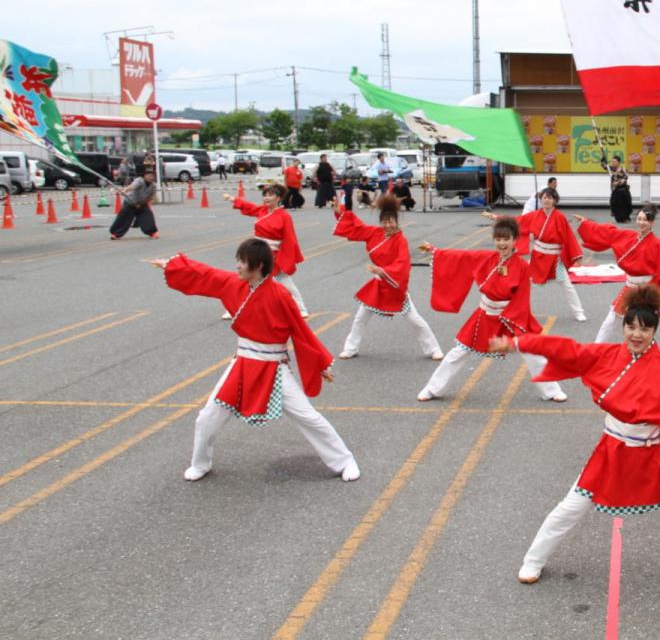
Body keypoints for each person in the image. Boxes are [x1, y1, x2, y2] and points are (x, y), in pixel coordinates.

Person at [491, 284, 660, 585]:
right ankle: (533, 560)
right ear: (623, 327)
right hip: (613, 450)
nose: (636, 335)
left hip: (656, 452)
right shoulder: (606, 355)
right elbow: (565, 349)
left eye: (644, 328)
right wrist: (518, 343)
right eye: (631, 327)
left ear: (655, 331)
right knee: (571, 506)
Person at [150, 239, 359, 483]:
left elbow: (301, 331)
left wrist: (319, 363)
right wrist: (172, 265)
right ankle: (201, 463)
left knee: (307, 416)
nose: (237, 266)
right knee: (208, 417)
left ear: (258, 265)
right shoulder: (233, 284)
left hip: (274, 366)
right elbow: (206, 274)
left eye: (242, 261)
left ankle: (345, 460)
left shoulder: (280, 294)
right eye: (237, 260)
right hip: (243, 363)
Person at [415, 216, 568, 403]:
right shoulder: (487, 257)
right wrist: (436, 252)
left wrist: (511, 318)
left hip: (511, 316)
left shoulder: (521, 266)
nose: (501, 243)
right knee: (459, 352)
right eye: (498, 239)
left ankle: (551, 390)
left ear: (514, 240)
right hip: (484, 315)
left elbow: (522, 298)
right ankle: (432, 389)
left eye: (506, 239)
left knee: (532, 352)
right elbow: (461, 257)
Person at [575, 204, 660, 365]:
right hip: (630, 287)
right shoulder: (627, 236)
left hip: (648, 290)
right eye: (639, 219)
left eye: (645, 220)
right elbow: (607, 233)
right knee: (611, 320)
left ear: (652, 223)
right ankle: (594, 350)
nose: (641, 223)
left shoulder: (657, 244)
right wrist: (586, 223)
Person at [334, 195, 443, 361]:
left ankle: (433, 349)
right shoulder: (374, 233)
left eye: (391, 221)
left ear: (396, 221)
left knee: (415, 319)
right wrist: (339, 211)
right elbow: (356, 227)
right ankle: (350, 348)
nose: (387, 225)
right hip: (378, 285)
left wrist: (383, 272)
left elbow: (402, 263)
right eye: (384, 222)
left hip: (394, 284)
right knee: (360, 318)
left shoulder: (401, 240)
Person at [486, 187, 587, 322]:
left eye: (549, 198)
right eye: (544, 197)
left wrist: (577, 255)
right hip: (538, 258)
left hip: (555, 260)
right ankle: (508, 309)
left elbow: (569, 237)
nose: (546, 200)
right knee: (522, 283)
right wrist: (499, 218)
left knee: (567, 285)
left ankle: (578, 312)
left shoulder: (559, 217)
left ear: (554, 200)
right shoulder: (534, 215)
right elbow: (517, 220)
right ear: (541, 199)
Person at [223, 184, 309, 317]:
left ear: (279, 198)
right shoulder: (262, 210)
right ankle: (233, 308)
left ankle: (300, 307)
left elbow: (290, 239)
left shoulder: (284, 216)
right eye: (265, 195)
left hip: (272, 254)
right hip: (256, 250)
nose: (266, 198)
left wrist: (284, 258)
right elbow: (248, 207)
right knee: (246, 278)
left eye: (270, 195)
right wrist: (232, 199)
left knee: (284, 281)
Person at [110, 169, 159, 239]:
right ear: (145, 176)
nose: (151, 178)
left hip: (141, 204)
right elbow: (132, 186)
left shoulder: (153, 186)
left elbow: (151, 197)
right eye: (149, 176)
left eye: (152, 176)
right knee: (124, 218)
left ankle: (152, 232)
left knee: (148, 216)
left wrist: (141, 204)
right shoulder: (139, 181)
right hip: (130, 203)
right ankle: (116, 234)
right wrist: (125, 190)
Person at [608, 154, 632, 223]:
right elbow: (605, 166)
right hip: (615, 190)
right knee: (613, 204)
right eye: (612, 161)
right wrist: (604, 161)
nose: (613, 163)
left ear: (618, 162)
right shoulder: (612, 169)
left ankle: (625, 218)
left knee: (624, 205)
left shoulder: (623, 169)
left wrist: (618, 182)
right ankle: (618, 218)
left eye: (614, 161)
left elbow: (625, 177)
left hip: (623, 190)